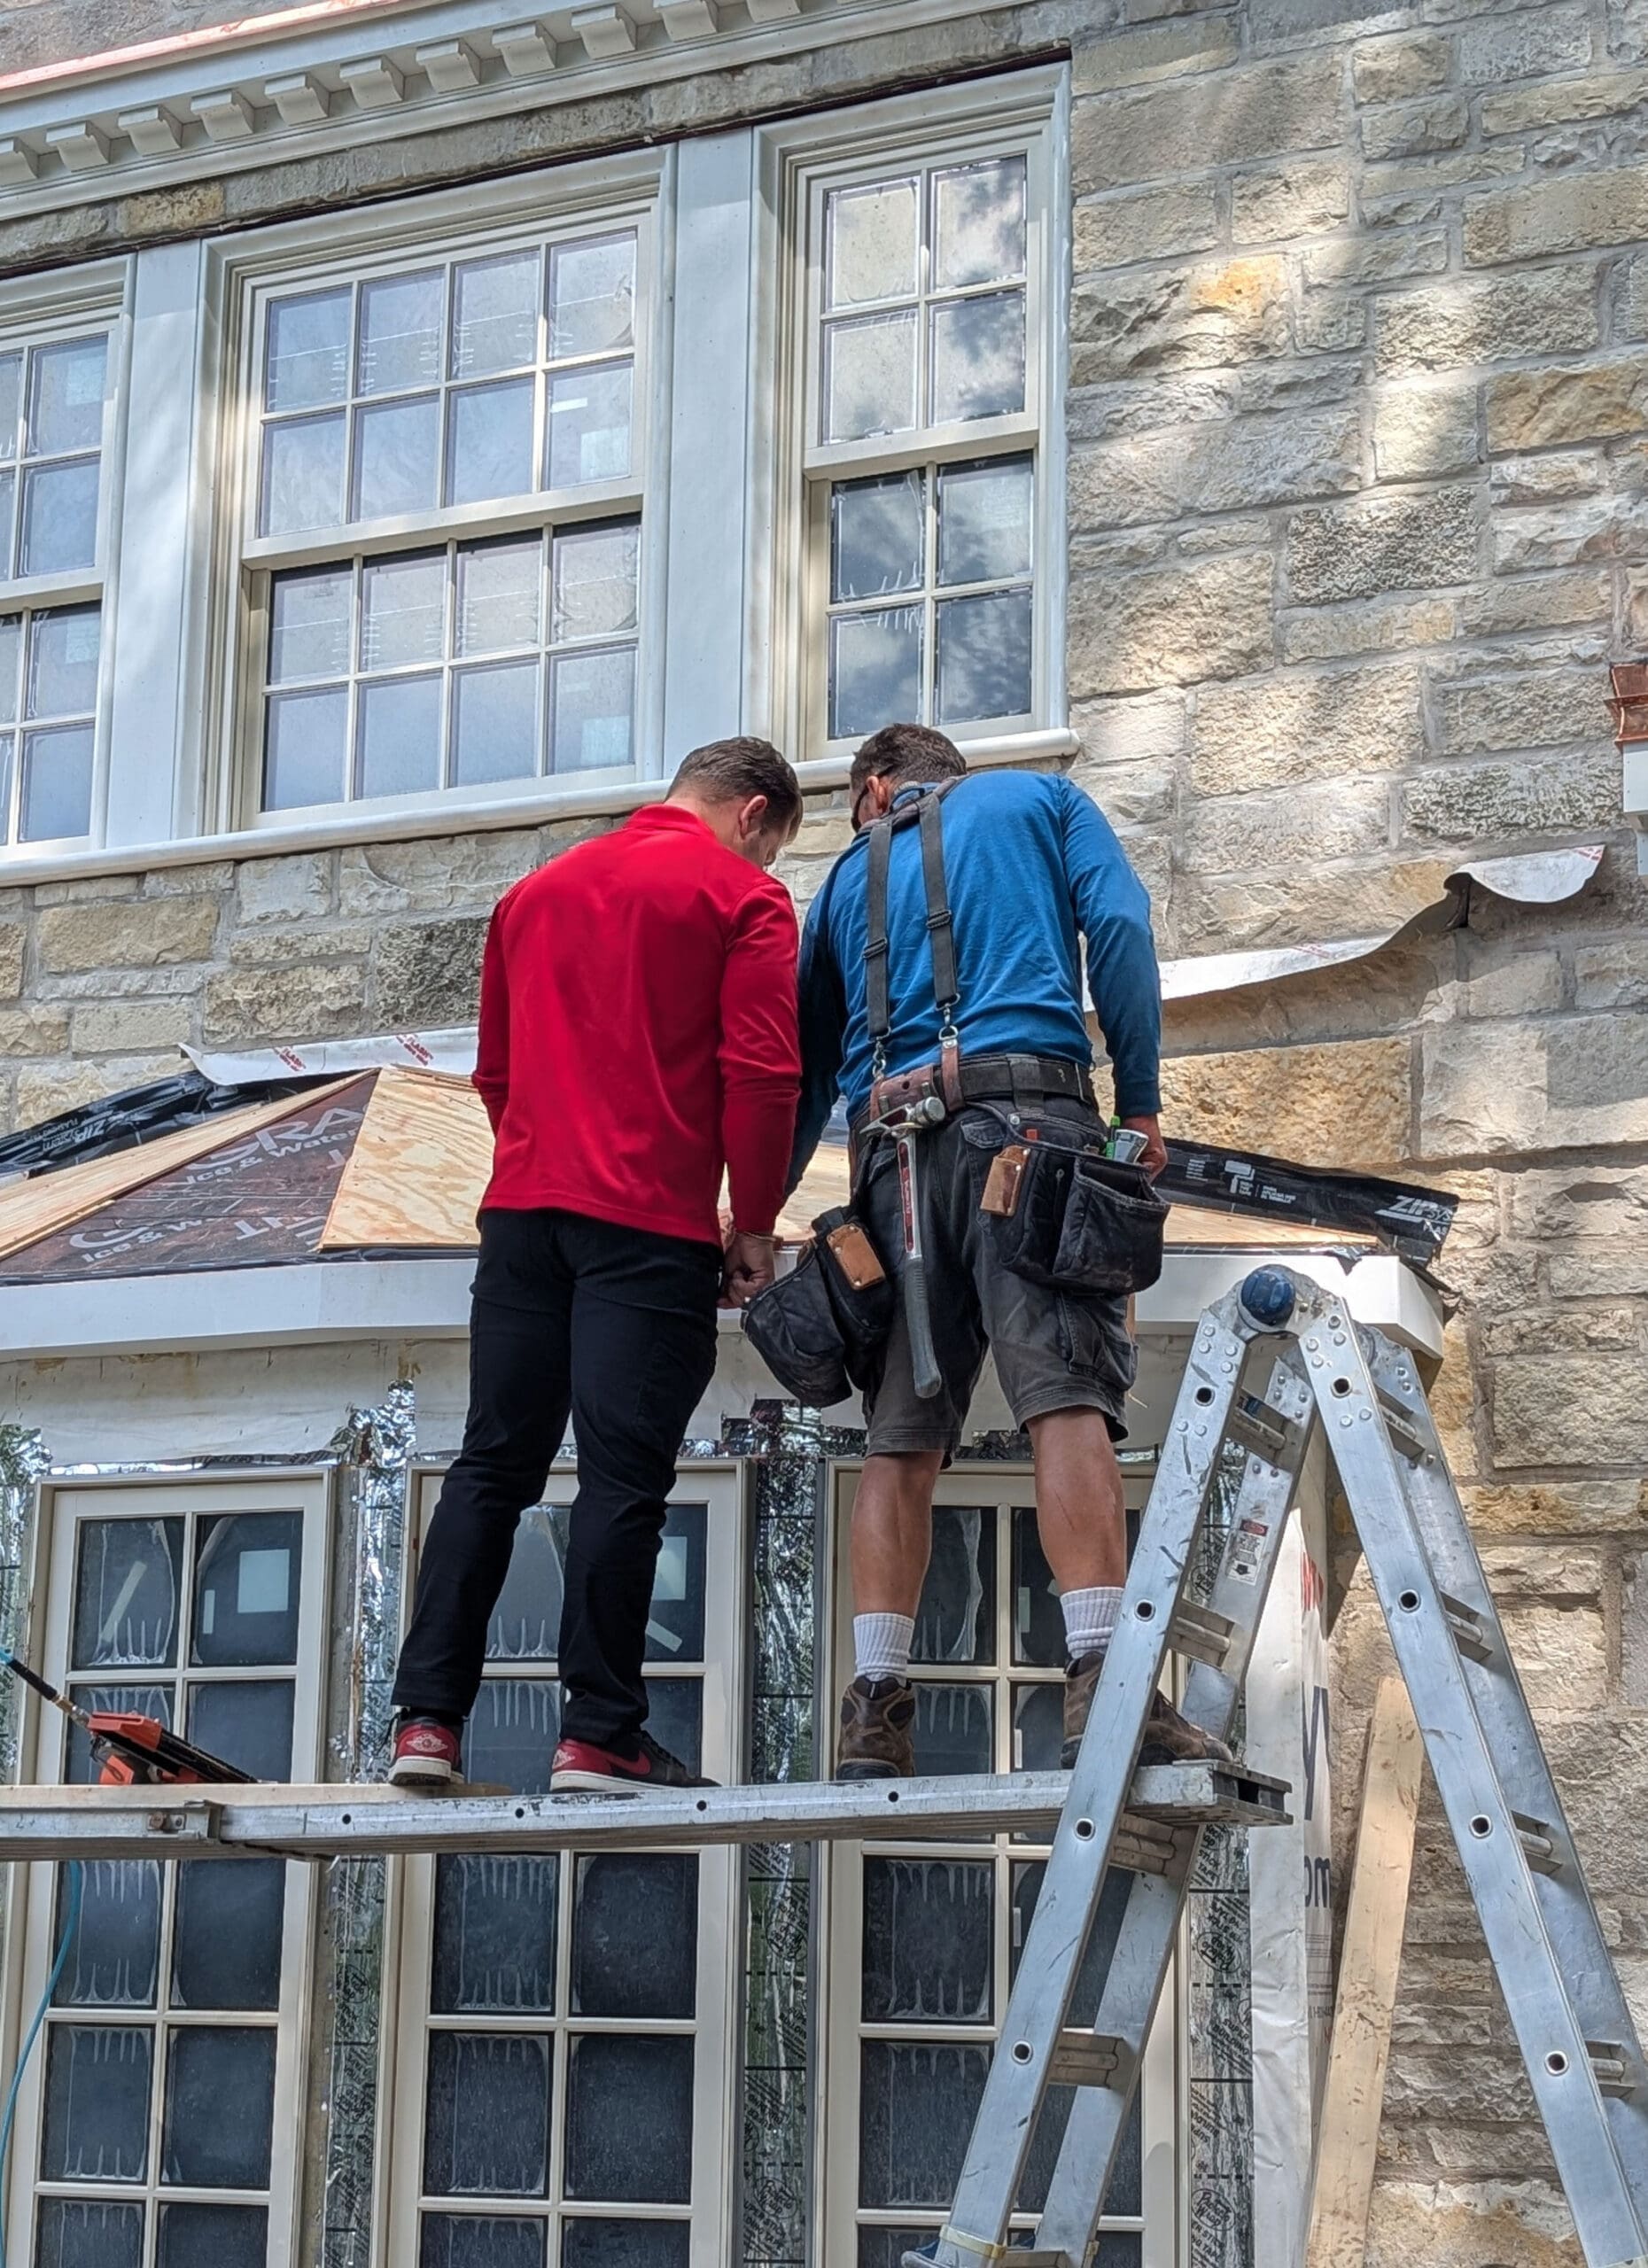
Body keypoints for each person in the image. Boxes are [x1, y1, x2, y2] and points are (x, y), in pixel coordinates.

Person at [788, 722, 1229, 1780]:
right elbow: (1119, 925)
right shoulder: (1045, 804)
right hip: (1027, 1136)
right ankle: (1100, 1683)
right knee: (1064, 1398)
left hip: (891, 1174)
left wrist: (754, 1213)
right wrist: (1144, 1098)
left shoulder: (845, 879)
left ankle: (875, 1708)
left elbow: (800, 1067)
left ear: (878, 786)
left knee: (900, 1436)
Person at [390, 737, 804, 1793]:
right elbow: (760, 1074)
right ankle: (598, 1734)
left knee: (494, 1463)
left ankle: (427, 1723)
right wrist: (751, 1223)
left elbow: (496, 1071)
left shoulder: (533, 894)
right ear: (754, 813)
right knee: (623, 1476)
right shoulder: (743, 900)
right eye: (776, 846)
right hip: (649, 1225)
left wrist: (543, 1154)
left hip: (523, 1215)